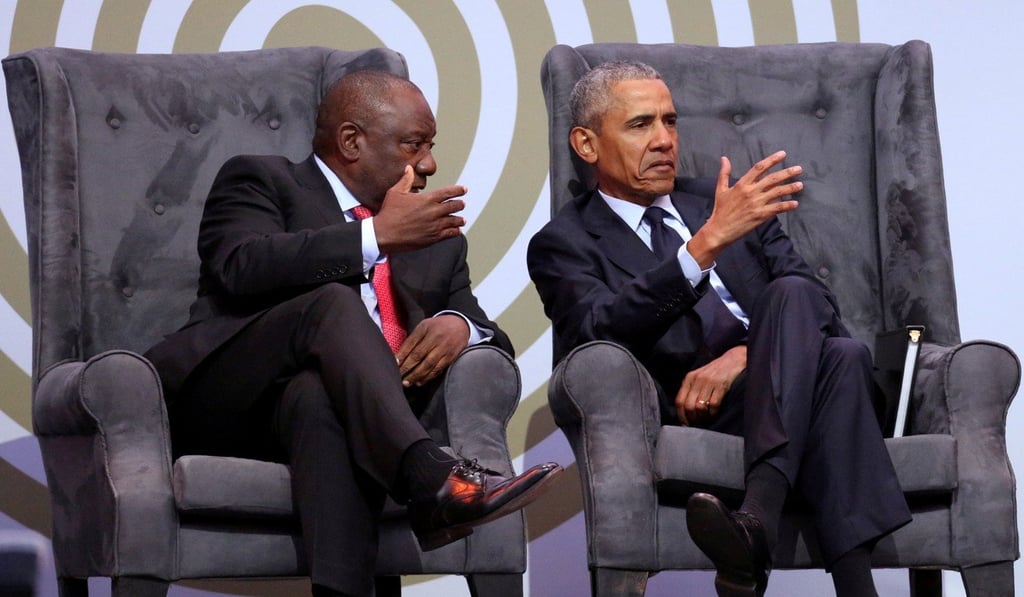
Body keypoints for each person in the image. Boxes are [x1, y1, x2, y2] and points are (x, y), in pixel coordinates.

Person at [144, 69, 561, 597]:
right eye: (414, 145)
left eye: (431, 147)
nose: (429, 164)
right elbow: (240, 264)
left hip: (330, 419)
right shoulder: (263, 180)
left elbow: (488, 330)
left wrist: (460, 326)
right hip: (227, 402)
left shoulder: (436, 240)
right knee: (334, 304)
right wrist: (373, 236)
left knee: (318, 397)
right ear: (350, 141)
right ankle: (429, 476)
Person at [527, 61, 910, 597]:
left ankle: (757, 519)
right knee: (842, 362)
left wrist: (746, 356)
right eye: (641, 125)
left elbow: (817, 302)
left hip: (779, 379)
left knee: (802, 303)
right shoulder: (563, 243)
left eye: (671, 121)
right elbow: (595, 330)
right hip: (703, 409)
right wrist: (700, 248)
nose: (664, 141)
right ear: (587, 144)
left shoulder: (719, 199)